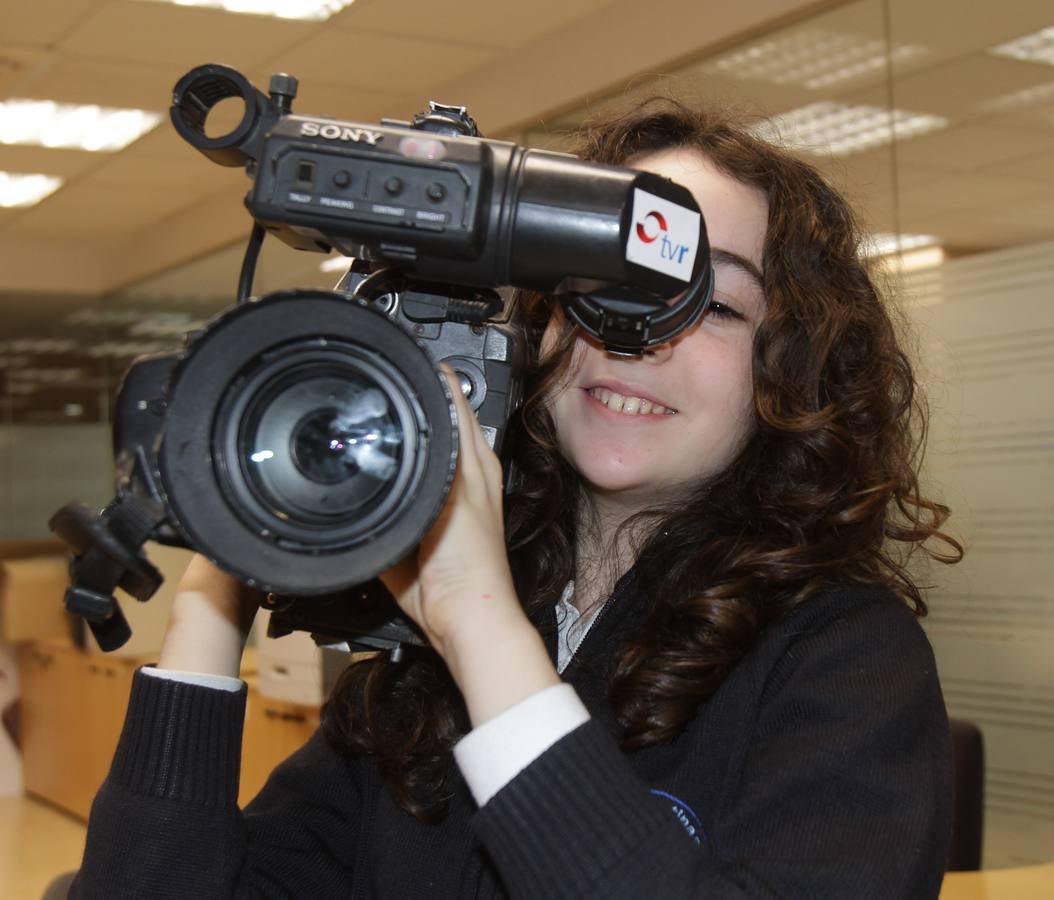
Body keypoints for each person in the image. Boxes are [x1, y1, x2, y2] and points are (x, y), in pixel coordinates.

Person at [67, 99, 961, 899]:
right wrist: (214, 596)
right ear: (541, 328)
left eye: (713, 305)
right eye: (602, 289)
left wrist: (480, 630)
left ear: (792, 374)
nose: (637, 338)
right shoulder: (420, 662)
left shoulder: (844, 661)